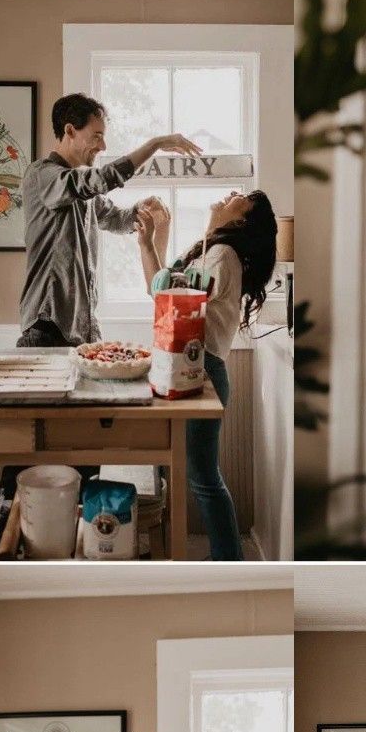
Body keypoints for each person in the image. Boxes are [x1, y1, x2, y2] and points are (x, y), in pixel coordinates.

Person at [136, 190, 277, 561]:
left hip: (204, 373)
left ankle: (229, 564)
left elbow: (185, 296)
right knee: (183, 471)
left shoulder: (224, 255)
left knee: (204, 479)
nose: (232, 194)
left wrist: (209, 226)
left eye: (241, 198)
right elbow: (160, 291)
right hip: (184, 368)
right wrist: (149, 242)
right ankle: (203, 557)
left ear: (242, 220)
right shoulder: (214, 251)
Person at [18, 92, 202, 349]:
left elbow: (117, 219)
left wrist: (141, 208)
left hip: (79, 329)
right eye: (97, 136)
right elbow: (100, 180)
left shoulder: (82, 190)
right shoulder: (44, 176)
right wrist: (154, 145)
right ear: (70, 130)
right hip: (47, 327)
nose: (103, 146)